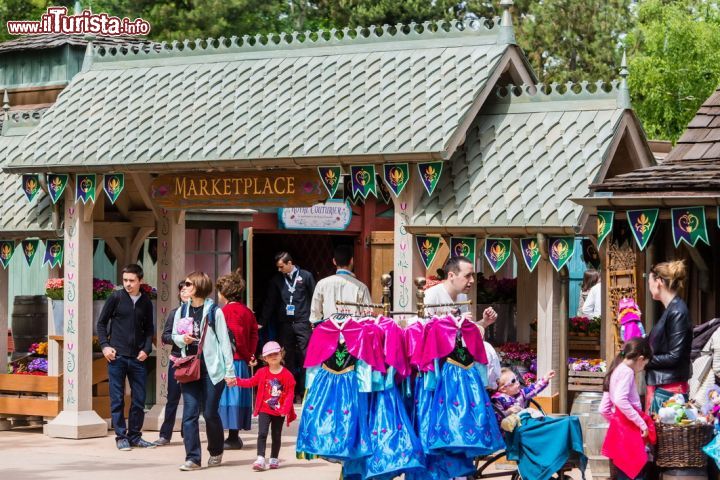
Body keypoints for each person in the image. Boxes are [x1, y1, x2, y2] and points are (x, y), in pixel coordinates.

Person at [171, 271, 236, 471]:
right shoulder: (182, 310)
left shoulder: (214, 312)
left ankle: (216, 450)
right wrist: (183, 339)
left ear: (198, 287)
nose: (184, 287)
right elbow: (174, 335)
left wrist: (230, 372)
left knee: (209, 413)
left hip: (212, 370)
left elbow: (225, 343)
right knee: (189, 414)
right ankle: (193, 458)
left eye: (188, 284)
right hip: (189, 367)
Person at [96, 264, 155, 451]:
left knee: (139, 399)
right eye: (125, 280)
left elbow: (149, 329)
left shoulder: (146, 301)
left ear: (140, 281)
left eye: (132, 281)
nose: (128, 284)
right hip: (117, 357)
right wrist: (105, 346)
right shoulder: (116, 297)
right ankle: (121, 436)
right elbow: (101, 323)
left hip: (138, 358)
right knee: (117, 399)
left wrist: (147, 349)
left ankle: (135, 436)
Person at [233, 341, 297, 471]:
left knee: (276, 435)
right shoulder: (262, 372)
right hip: (264, 409)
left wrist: (285, 409)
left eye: (276, 353)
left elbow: (290, 394)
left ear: (281, 355)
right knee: (262, 433)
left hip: (279, 411)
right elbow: (251, 382)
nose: (273, 356)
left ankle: (274, 458)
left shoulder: (287, 375)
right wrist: (236, 381)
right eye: (270, 355)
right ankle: (260, 458)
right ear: (265, 358)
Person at [600, 337, 655, 480]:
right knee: (635, 474)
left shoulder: (616, 370)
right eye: (644, 365)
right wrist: (641, 424)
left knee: (623, 474)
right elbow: (620, 399)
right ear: (641, 359)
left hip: (620, 432)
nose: (642, 369)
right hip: (629, 433)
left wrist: (616, 421)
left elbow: (604, 408)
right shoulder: (628, 372)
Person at [263, 252, 315, 402]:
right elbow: (270, 302)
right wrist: (262, 321)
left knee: (306, 357)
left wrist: (316, 320)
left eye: (281, 266)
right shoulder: (277, 280)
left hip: (303, 322)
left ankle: (305, 391)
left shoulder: (305, 276)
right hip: (285, 324)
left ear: (289, 263)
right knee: (287, 358)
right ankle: (290, 392)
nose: (279, 270)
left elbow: (315, 297)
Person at [216, 269, 259, 450]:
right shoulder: (247, 311)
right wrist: (250, 354)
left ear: (224, 293)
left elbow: (236, 336)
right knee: (239, 397)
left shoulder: (226, 311)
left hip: (230, 360)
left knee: (227, 397)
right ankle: (234, 436)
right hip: (241, 359)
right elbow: (253, 334)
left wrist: (243, 353)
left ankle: (231, 437)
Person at [645, 260, 692, 413]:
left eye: (649, 280)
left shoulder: (677, 311)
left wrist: (645, 360)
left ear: (658, 282)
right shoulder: (671, 309)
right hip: (662, 386)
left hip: (668, 389)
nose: (649, 285)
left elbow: (675, 356)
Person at [154, 281, 191, 446]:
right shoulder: (175, 313)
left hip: (194, 361)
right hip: (177, 359)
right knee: (173, 398)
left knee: (191, 399)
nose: (184, 291)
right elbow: (165, 336)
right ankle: (165, 434)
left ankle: (187, 432)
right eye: (181, 289)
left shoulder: (201, 312)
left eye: (187, 288)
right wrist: (179, 339)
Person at [423, 256, 498, 329]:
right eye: (467, 275)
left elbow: (464, 331)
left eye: (472, 275)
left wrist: (485, 322)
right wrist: (455, 321)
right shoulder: (430, 295)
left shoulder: (462, 295)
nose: (472, 280)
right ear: (451, 276)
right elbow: (426, 332)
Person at [310, 244, 372, 321]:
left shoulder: (322, 284)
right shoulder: (361, 287)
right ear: (352, 260)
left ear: (334, 261)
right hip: (352, 330)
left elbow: (315, 314)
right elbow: (368, 315)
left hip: (329, 330)